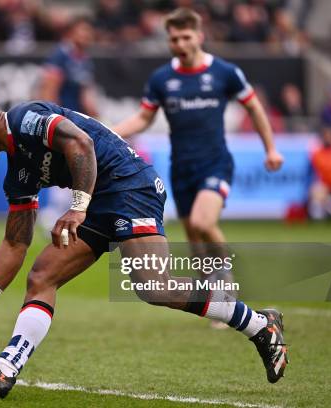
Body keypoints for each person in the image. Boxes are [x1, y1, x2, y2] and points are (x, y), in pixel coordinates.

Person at [0, 92, 288, 398]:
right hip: (97, 201)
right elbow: (15, 242)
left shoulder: (25, 118)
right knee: (42, 276)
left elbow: (80, 143)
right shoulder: (18, 172)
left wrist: (78, 207)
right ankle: (6, 370)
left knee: (156, 287)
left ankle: (259, 325)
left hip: (130, 186)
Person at [113, 8, 284, 316]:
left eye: (185, 36)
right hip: (182, 168)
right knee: (193, 234)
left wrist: (270, 148)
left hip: (215, 163)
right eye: (174, 38)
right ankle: (216, 304)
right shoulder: (162, 78)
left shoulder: (224, 72)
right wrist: (108, 133)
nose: (179, 43)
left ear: (199, 36)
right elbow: (143, 117)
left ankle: (228, 288)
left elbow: (255, 108)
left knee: (204, 223)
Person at [38, 15, 98, 232]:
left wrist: (95, 116)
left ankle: (57, 215)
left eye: (89, 32)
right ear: (71, 33)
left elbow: (85, 93)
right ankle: (52, 215)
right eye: (83, 31)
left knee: (74, 167)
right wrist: (52, 120)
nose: (87, 36)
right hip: (63, 122)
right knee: (65, 166)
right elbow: (49, 88)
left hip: (77, 122)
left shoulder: (83, 59)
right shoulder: (60, 56)